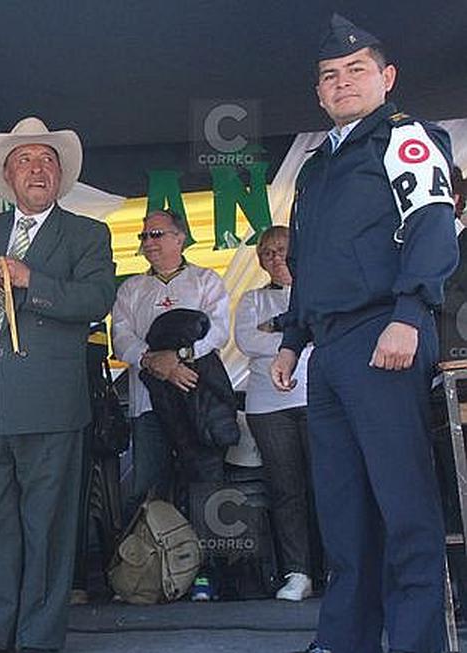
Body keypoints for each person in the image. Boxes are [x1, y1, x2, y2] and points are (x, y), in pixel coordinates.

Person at [272, 15, 459, 653]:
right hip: (329, 350)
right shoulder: (315, 167)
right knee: (345, 512)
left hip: (387, 331)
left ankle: (415, 643)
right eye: (330, 76)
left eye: (356, 70)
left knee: (404, 506)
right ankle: (344, 640)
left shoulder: (406, 138)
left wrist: (411, 311)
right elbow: (308, 262)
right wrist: (293, 338)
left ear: (387, 78)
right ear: (319, 94)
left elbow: (435, 222)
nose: (343, 82)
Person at [0, 116, 116, 653]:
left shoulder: (87, 233)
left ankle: (39, 640)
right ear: (7, 176)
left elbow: (96, 301)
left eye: (47, 160)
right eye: (25, 160)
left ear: (60, 175)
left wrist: (32, 282)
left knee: (46, 529)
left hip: (49, 403)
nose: (37, 168)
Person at [111, 208, 229, 600]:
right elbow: (122, 339)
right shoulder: (130, 290)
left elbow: (219, 331)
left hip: (197, 400)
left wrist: (178, 358)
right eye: (144, 237)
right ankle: (149, 575)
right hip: (148, 404)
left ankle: (208, 575)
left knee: (205, 487)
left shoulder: (205, 280)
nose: (148, 243)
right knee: (149, 486)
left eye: (157, 234)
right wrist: (155, 362)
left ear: (181, 238)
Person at [234, 225, 316, 602]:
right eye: (266, 252)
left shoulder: (316, 290)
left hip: (318, 399)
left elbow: (322, 331)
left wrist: (278, 329)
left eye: (282, 249)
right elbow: (247, 340)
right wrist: (296, 334)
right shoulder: (252, 299)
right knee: (286, 491)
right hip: (268, 406)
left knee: (330, 486)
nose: (275, 257)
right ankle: (298, 572)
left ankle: (339, 567)